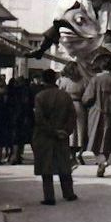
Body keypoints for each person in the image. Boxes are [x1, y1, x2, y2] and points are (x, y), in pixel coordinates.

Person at [32, 69, 78, 205]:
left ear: (43, 80)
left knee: (46, 167)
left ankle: (49, 196)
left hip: (44, 135)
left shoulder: (40, 96)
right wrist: (65, 131)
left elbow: (39, 119)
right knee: (64, 164)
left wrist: (52, 131)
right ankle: (69, 193)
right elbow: (72, 115)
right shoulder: (65, 96)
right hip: (62, 136)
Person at [82, 57, 111, 177]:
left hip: (97, 114)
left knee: (96, 139)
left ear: (101, 67)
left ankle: (101, 161)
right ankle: (104, 160)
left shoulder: (95, 80)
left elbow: (87, 98)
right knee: (108, 139)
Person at [58, 62, 88, 167]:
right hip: (79, 105)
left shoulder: (62, 80)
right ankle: (78, 153)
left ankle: (70, 155)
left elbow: (59, 93)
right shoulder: (83, 80)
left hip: (66, 105)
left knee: (68, 130)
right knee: (80, 131)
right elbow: (87, 95)